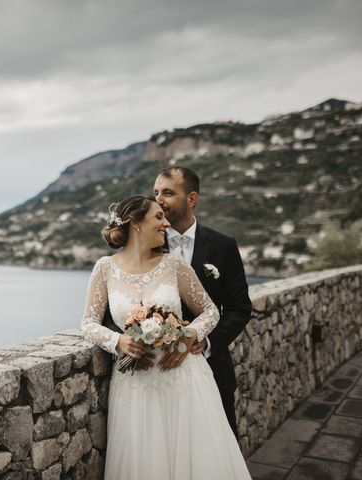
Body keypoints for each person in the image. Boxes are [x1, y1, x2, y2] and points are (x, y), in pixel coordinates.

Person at [81, 195, 251, 479]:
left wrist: (188, 335)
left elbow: (209, 310)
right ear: (136, 223)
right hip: (136, 384)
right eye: (158, 217)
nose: (166, 223)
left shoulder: (174, 264)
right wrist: (118, 341)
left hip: (183, 377)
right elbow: (88, 322)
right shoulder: (105, 268)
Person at [102, 166, 252, 437]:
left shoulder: (223, 246)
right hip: (147, 373)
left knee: (214, 450)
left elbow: (239, 308)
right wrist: (127, 343)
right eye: (156, 192)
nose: (158, 199)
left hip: (208, 366)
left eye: (168, 193)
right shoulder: (142, 245)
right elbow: (110, 313)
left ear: (191, 199)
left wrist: (200, 340)